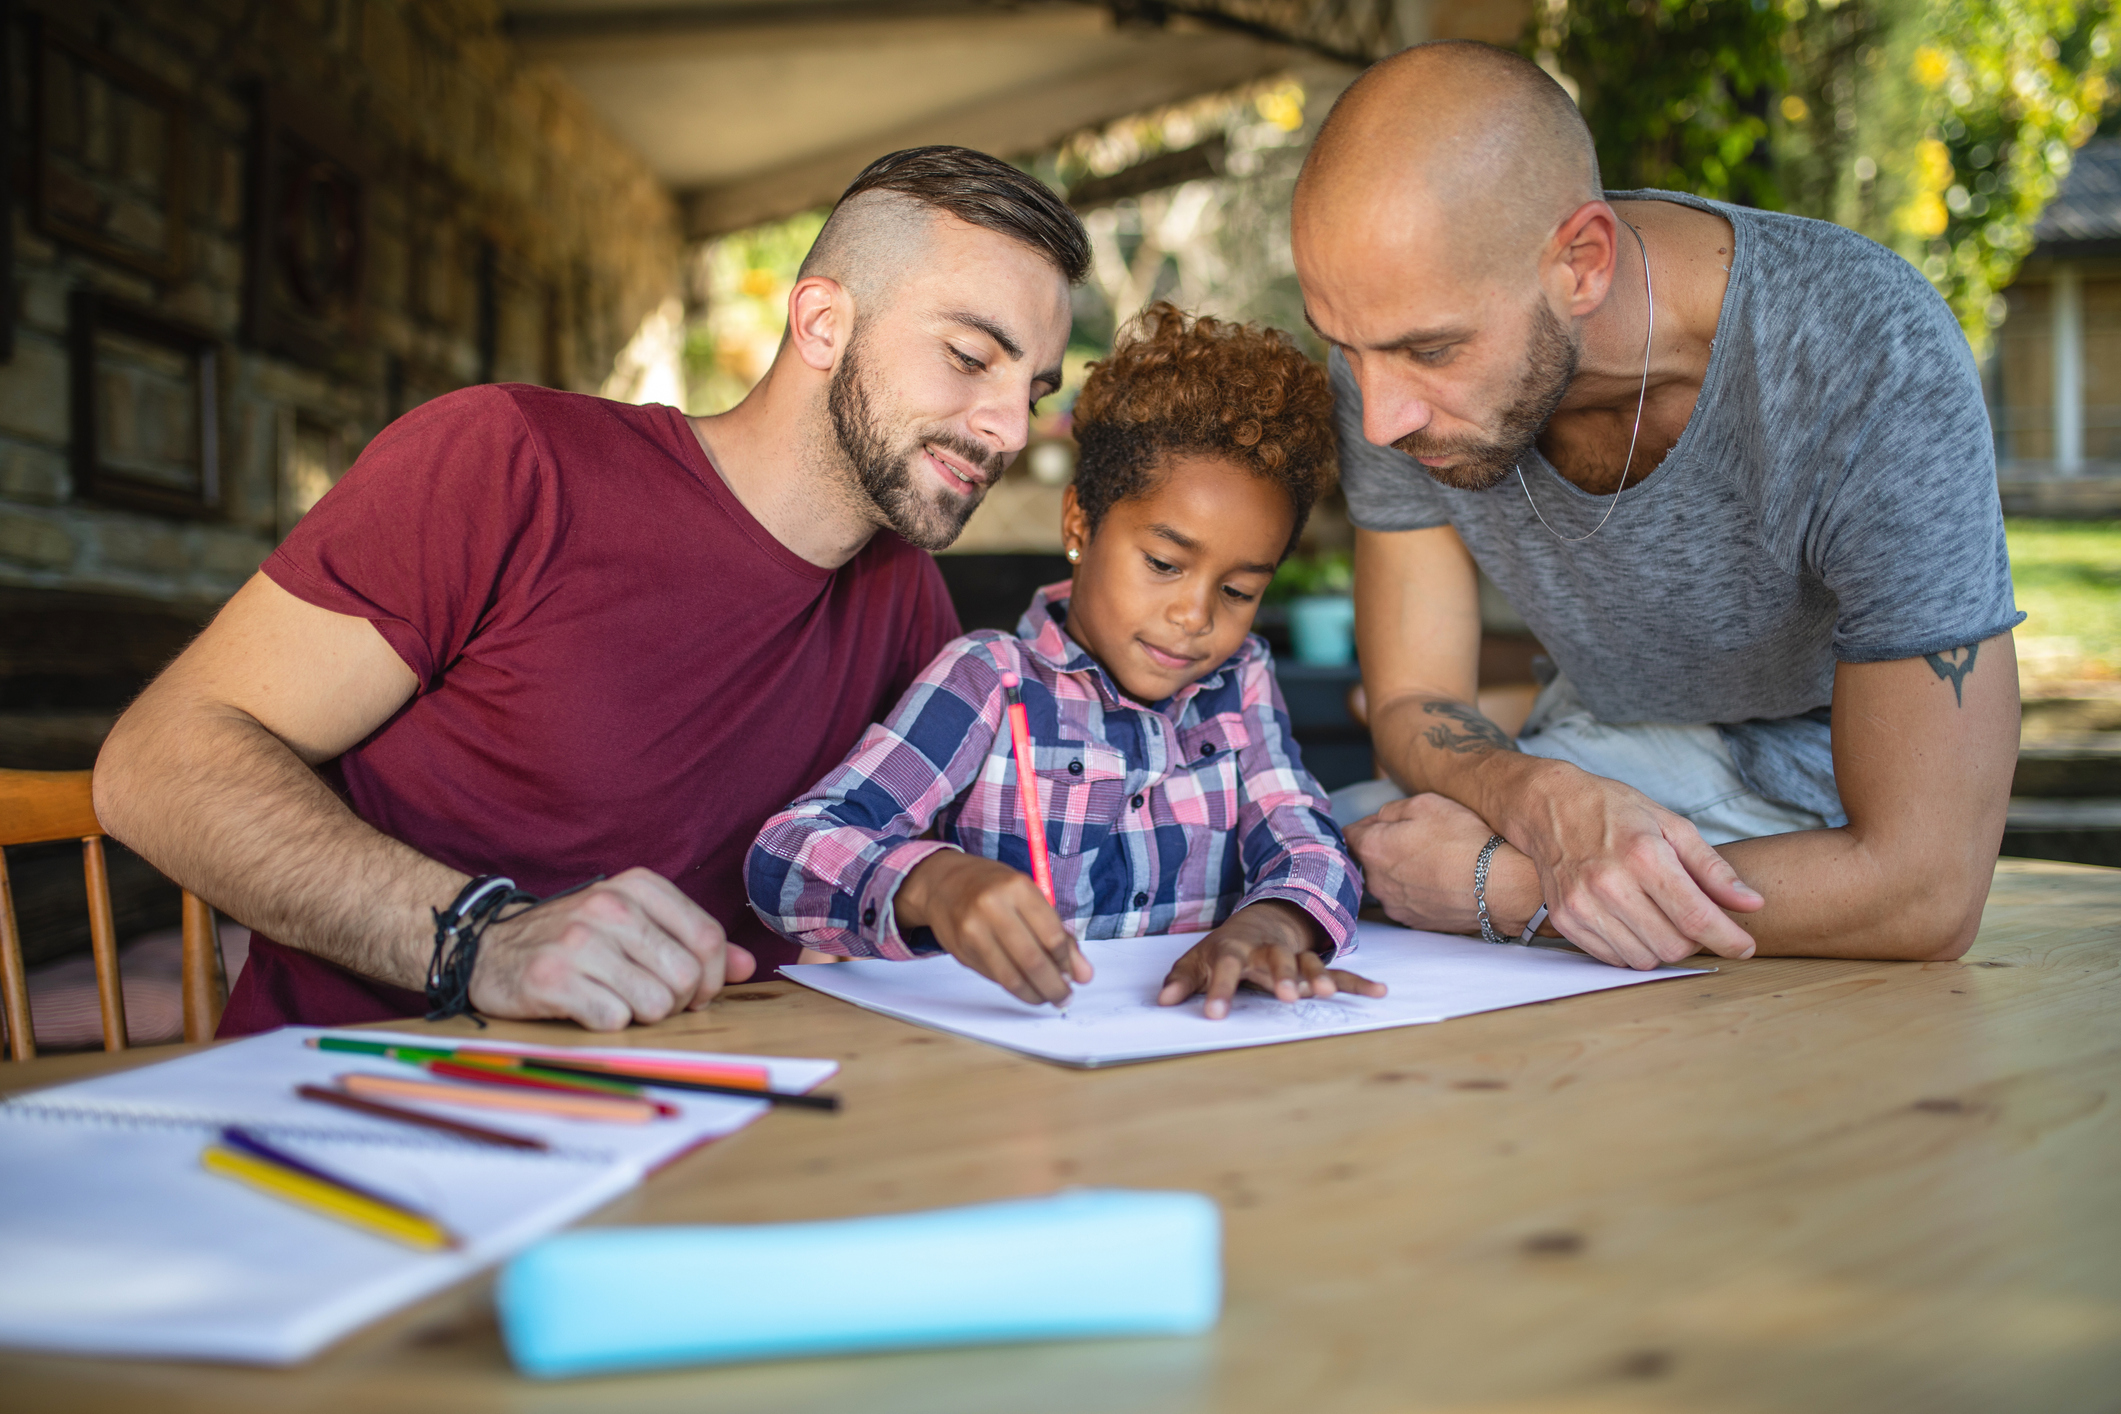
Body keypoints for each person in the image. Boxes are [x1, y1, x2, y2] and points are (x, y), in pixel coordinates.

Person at [91, 146, 1086, 1033]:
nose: (1008, 427)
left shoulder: (905, 596)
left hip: (704, 1126)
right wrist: (483, 940)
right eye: (969, 357)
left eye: (1033, 388)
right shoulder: (505, 460)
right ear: (822, 320)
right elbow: (157, 763)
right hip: (357, 1108)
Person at [1290, 42, 2021, 969]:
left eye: (1429, 351)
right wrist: (1544, 803)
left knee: (1365, 866)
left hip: (1810, 817)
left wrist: (1507, 888)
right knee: (1319, 843)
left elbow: (1928, 888)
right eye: (1346, 348)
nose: (1381, 414)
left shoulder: (1860, 354)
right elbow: (1413, 697)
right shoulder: (1382, 357)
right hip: (1587, 755)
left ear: (1583, 263)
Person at [748, 304, 1377, 1019]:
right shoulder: (989, 679)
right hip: (1006, 1076)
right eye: (1165, 563)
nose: (1196, 616)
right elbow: (787, 855)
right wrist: (934, 883)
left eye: (1238, 591)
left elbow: (1309, 839)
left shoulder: (1241, 682)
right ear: (1079, 522)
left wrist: (1276, 921)